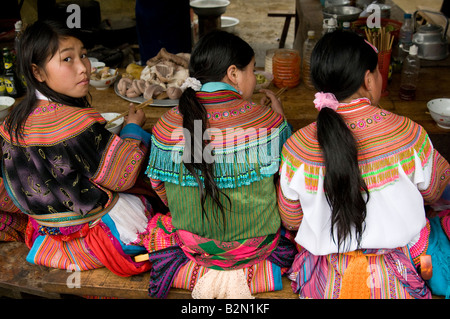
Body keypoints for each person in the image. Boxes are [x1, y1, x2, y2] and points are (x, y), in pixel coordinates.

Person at [277, 30, 450, 299]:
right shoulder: (408, 133)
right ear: (368, 79)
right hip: (400, 273)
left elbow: (291, 220)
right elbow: (434, 191)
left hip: (326, 281)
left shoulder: (297, 147)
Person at [144, 30, 296, 298]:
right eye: (252, 70)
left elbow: (162, 189)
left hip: (194, 247)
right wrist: (280, 121)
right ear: (234, 73)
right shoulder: (269, 123)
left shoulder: (169, 124)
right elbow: (286, 183)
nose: (253, 78)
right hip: (258, 247)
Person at [0, 20, 157, 277]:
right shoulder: (77, 124)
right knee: (154, 191)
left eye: (83, 55)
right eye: (67, 59)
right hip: (101, 237)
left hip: (47, 233)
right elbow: (122, 176)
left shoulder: (10, 124)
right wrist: (132, 130)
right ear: (37, 72)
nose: (83, 67)